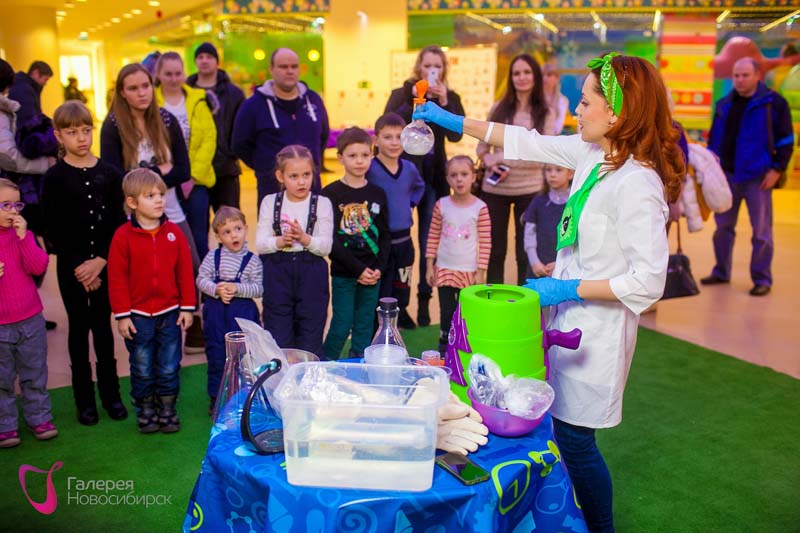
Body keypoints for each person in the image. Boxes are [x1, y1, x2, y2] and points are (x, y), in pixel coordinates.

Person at [413, 52, 685, 532]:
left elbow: (649, 280)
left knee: (577, 442)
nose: (576, 110)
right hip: (566, 322)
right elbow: (524, 140)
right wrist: (452, 120)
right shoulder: (592, 154)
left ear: (617, 113)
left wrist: (567, 286)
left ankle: (600, 527)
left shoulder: (637, 182)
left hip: (597, 333)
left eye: (586, 102)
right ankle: (563, 516)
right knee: (558, 432)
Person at [100, 63, 205, 354]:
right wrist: (159, 172)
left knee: (192, 265)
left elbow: (183, 170)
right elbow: (113, 177)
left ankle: (193, 326)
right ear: (122, 92)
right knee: (145, 272)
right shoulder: (113, 125)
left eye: (145, 86)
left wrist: (144, 177)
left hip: (171, 208)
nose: (141, 93)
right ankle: (147, 330)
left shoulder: (166, 119)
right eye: (133, 88)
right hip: (134, 214)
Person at [42, 101, 128, 426]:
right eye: (72, 132)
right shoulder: (54, 177)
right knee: (78, 330)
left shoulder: (110, 174)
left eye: (86, 130)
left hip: (105, 266)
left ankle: (111, 395)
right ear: (58, 135)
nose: (81, 138)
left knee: (103, 329)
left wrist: (100, 261)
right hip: (72, 268)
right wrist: (82, 266)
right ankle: (84, 400)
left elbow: (118, 223)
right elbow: (52, 228)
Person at [108, 169, 196, 433]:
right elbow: (117, 279)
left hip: (171, 314)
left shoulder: (174, 233)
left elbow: (185, 272)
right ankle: (146, 409)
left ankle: (167, 409)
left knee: (169, 365)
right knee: (142, 366)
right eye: (150, 196)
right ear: (132, 202)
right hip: (137, 316)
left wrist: (187, 307)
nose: (159, 200)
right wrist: (122, 314)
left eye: (161, 194)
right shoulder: (122, 237)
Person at [384, 45, 465, 327]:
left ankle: (424, 300)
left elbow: (456, 135)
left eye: (437, 65)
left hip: (434, 179)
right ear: (419, 67)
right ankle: (398, 303)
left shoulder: (450, 97)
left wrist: (444, 102)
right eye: (427, 65)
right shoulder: (401, 93)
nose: (432, 70)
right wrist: (415, 100)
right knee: (400, 242)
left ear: (444, 69)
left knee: (429, 243)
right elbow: (389, 124)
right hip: (404, 178)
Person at [702, 57, 794, 297]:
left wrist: (777, 169)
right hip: (727, 177)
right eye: (736, 75)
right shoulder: (723, 104)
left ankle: (762, 279)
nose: (740, 80)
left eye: (745, 75)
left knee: (761, 232)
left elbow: (786, 140)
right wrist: (711, 168)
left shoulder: (774, 103)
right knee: (722, 228)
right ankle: (721, 271)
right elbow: (714, 139)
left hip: (758, 177)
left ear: (757, 75)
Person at [476, 54, 556, 285]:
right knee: (495, 251)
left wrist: (501, 157)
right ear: (510, 78)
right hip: (495, 189)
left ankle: (523, 298)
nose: (521, 77)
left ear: (535, 76)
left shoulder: (545, 112)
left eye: (527, 72)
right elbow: (481, 147)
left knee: (525, 253)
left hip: (529, 191)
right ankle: (493, 298)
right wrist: (489, 159)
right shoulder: (498, 109)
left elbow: (543, 155)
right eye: (516, 73)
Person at [255, 145, 333, 357]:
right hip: (278, 272)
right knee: (278, 335)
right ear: (280, 176)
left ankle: (308, 375)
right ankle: (281, 376)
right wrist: (280, 241)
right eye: (294, 176)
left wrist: (304, 238)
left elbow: (326, 246)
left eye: (306, 175)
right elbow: (260, 243)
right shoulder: (270, 202)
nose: (301, 182)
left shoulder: (322, 203)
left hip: (312, 273)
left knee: (311, 333)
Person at [232, 47, 330, 209]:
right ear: (271, 69)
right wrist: (266, 168)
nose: (289, 71)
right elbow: (240, 144)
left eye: (294, 66)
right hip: (272, 193)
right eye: (283, 67)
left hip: (311, 192)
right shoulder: (254, 105)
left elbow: (323, 136)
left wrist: (309, 167)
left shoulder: (313, 100)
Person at [322, 128, 389, 360]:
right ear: (340, 157)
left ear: (372, 155)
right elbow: (331, 240)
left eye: (364, 155)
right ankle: (324, 365)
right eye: (352, 156)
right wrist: (358, 270)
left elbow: (385, 234)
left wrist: (379, 268)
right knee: (341, 325)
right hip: (344, 274)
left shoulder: (378, 193)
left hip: (373, 275)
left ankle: (359, 365)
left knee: (364, 326)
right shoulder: (330, 194)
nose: (359, 161)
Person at [0, 178, 57, 448]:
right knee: (2, 379)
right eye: (5, 205)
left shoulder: (25, 235)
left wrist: (24, 239)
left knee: (34, 373)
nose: (13, 211)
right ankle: (5, 425)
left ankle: (40, 418)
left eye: (17, 205)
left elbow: (38, 267)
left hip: (31, 319)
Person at [197, 207, 262, 414]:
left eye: (238, 229)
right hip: (216, 314)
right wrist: (216, 289)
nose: (234, 235)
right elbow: (201, 279)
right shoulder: (213, 257)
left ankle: (245, 395)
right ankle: (217, 397)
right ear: (218, 236)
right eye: (226, 232)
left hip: (243, 313)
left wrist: (237, 289)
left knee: (245, 357)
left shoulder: (253, 260)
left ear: (246, 229)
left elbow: (259, 288)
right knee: (216, 355)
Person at [154, 51, 217, 261]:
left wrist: (191, 175)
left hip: (196, 182)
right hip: (164, 182)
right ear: (158, 74)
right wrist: (172, 173)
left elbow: (209, 138)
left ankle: (201, 279)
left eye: (178, 73)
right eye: (168, 74)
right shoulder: (151, 102)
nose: (173, 79)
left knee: (198, 238)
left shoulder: (198, 99)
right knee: (167, 237)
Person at [425, 155, 490, 353]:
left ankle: (464, 347)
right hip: (444, 269)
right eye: (453, 175)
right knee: (446, 312)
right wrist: (429, 266)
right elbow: (433, 235)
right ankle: (445, 347)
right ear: (447, 179)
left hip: (469, 271)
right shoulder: (441, 205)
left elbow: (486, 242)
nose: (459, 179)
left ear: (473, 177)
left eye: (464, 174)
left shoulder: (480, 208)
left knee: (465, 311)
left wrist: (481, 271)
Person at [366, 112, 425, 329]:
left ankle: (401, 312)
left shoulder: (409, 169)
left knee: (403, 282)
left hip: (404, 240)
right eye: (387, 137)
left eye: (399, 137)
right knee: (382, 284)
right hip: (380, 240)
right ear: (376, 140)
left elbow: (420, 187)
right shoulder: (370, 169)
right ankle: (379, 323)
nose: (394, 142)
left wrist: (411, 203)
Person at [187, 42, 245, 211]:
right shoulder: (185, 91)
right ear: (195, 61)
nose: (204, 60)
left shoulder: (234, 93)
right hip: (194, 171)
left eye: (209, 57)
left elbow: (242, 129)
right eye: (200, 57)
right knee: (197, 224)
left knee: (229, 221)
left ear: (217, 62)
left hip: (225, 169)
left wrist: (231, 152)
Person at [523, 163, 574, 278]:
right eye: (548, 170)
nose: (552, 174)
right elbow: (529, 234)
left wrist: (561, 264)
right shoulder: (538, 201)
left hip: (565, 270)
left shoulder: (574, 203)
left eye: (558, 170)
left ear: (570, 174)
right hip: (538, 268)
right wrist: (535, 262)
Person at [8, 61, 52, 127]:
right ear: (36, 73)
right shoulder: (23, 89)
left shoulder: (29, 87)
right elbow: (28, 117)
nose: (45, 83)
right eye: (45, 79)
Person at [542, 62, 570, 135]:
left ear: (557, 78)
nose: (544, 78)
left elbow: (558, 128)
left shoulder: (562, 100)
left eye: (549, 75)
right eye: (542, 75)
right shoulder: (533, 97)